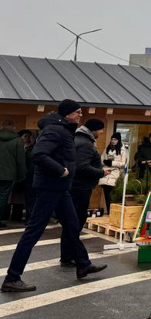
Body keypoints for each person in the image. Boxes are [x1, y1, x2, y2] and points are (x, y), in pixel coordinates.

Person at [2, 100, 107, 292]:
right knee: (33, 231)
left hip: (60, 188)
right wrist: (61, 170)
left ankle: (83, 264)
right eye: (77, 112)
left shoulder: (64, 129)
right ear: (67, 114)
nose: (80, 115)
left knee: (72, 225)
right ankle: (12, 278)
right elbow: (39, 154)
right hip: (50, 187)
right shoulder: (55, 129)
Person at [62, 119, 110, 265]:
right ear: (94, 130)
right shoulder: (86, 144)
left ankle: (68, 255)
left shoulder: (78, 138)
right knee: (75, 222)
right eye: (100, 130)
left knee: (71, 222)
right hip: (80, 187)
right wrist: (101, 172)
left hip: (75, 186)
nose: (101, 133)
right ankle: (71, 256)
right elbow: (82, 167)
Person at [0, 120, 27, 227]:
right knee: (3, 197)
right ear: (13, 128)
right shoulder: (18, 141)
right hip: (8, 174)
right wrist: (21, 176)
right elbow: (20, 160)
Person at [99, 132, 128, 212]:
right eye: (112, 139)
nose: (113, 141)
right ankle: (109, 211)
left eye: (115, 139)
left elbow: (123, 164)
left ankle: (112, 212)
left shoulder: (122, 150)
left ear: (118, 140)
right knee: (106, 195)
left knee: (113, 196)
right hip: (105, 174)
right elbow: (101, 159)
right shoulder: (107, 148)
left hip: (115, 175)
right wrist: (104, 162)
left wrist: (112, 163)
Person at [15, 130, 35, 222]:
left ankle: (28, 217)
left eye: (29, 136)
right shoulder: (18, 147)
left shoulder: (31, 149)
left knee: (27, 197)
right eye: (25, 136)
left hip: (28, 175)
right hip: (22, 175)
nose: (28, 138)